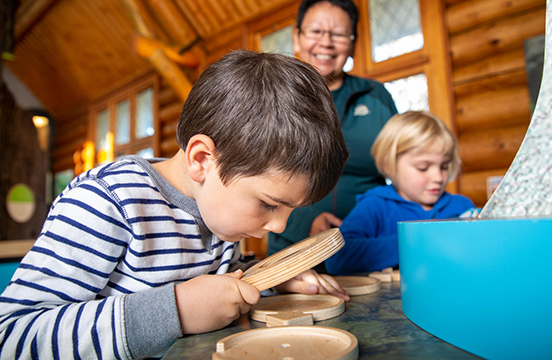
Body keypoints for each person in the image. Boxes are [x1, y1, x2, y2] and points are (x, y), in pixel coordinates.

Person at [0, 50, 350, 360]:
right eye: (269, 204)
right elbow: (12, 336)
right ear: (202, 159)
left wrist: (269, 279)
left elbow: (211, 280)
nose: (279, 227)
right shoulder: (107, 201)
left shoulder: (215, 206)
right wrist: (175, 311)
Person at [268, 0, 398, 262]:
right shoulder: (271, 97)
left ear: (352, 44)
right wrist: (306, 222)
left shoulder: (377, 96)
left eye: (338, 34)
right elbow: (252, 177)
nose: (326, 42)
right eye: (316, 31)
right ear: (297, 38)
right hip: (294, 253)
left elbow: (402, 169)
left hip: (367, 250)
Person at [325, 111, 475, 275]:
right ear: (389, 166)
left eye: (444, 166)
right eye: (423, 167)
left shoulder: (462, 206)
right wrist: (416, 243)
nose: (438, 177)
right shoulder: (375, 206)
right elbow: (337, 258)